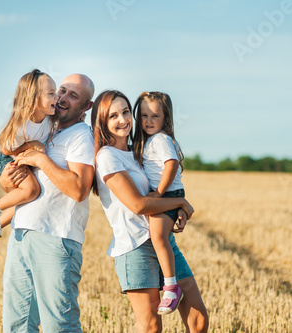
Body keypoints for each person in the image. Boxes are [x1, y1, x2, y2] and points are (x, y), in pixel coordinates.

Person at [91, 90, 209, 333]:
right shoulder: (107, 157)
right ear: (101, 121)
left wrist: (179, 208)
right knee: (151, 328)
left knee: (198, 320)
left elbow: (164, 186)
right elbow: (138, 204)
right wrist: (181, 204)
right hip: (134, 247)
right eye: (113, 116)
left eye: (125, 112)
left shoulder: (139, 151)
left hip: (163, 240)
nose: (122, 119)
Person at [0, 73, 95, 333]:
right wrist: (7, 180)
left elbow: (79, 189)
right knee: (17, 326)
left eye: (73, 96)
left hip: (56, 240)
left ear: (87, 107)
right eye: (61, 90)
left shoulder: (80, 136)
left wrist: (42, 160)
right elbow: (16, 182)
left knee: (59, 327)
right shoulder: (44, 129)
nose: (62, 98)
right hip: (21, 232)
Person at [0, 69, 59, 260]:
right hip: (7, 158)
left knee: (29, 200)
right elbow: (5, 148)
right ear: (33, 98)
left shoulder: (49, 117)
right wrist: (32, 145)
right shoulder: (23, 122)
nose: (57, 97)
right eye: (51, 93)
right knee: (31, 191)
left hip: (26, 158)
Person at [132, 91, 186, 315]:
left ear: (166, 118)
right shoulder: (150, 141)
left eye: (155, 116)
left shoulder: (161, 139)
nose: (148, 121)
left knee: (157, 236)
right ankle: (169, 282)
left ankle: (171, 287)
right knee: (158, 236)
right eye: (144, 115)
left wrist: (159, 193)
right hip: (167, 195)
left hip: (168, 195)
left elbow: (171, 165)